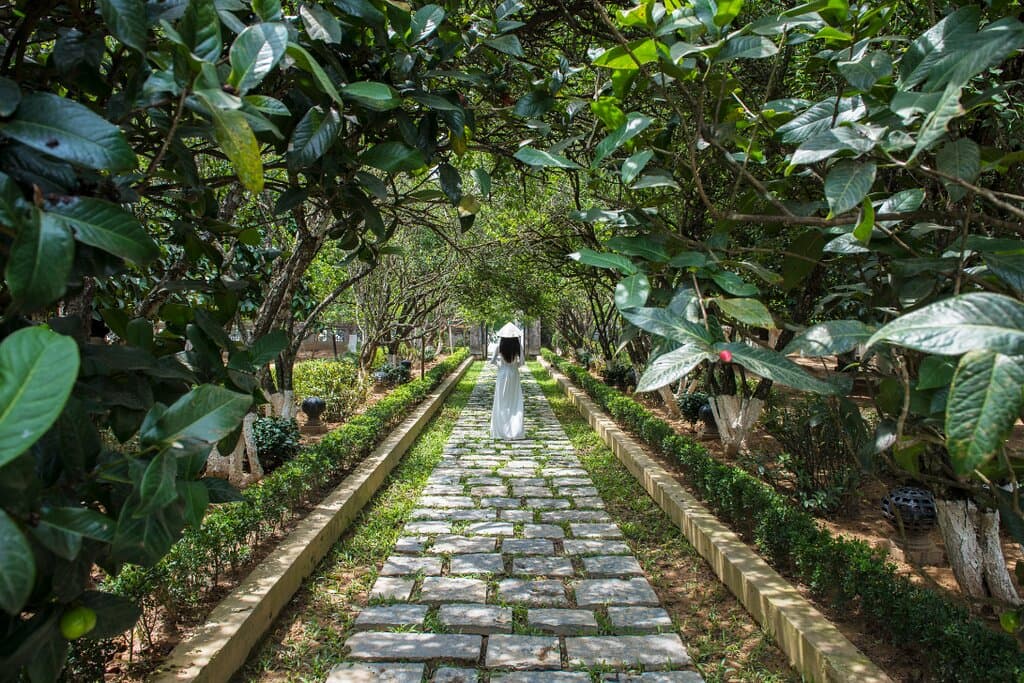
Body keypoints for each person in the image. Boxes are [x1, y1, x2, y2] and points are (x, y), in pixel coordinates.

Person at [490, 322, 525, 440]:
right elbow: (522, 363)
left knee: (502, 402)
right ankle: (515, 430)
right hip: (514, 375)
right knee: (515, 402)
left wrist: (501, 366)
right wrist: (514, 367)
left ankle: (501, 430)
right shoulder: (518, 347)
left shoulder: (499, 347)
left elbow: (492, 361)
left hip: (502, 375)